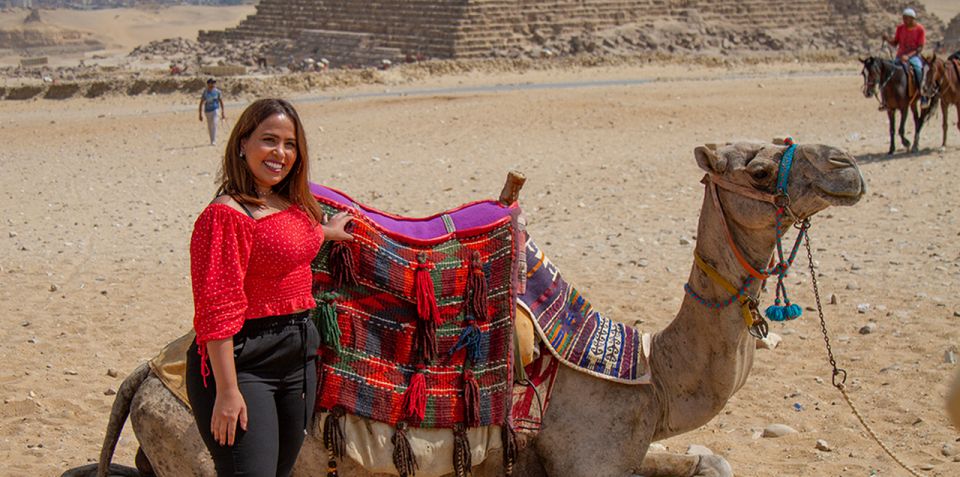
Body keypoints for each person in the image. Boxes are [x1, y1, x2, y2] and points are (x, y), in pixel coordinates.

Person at [185, 98, 353, 476]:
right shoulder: (225, 216)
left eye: (290, 144)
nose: (280, 153)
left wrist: (326, 232)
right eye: (269, 140)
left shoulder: (285, 202)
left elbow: (284, 242)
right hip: (245, 362)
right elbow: (217, 310)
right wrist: (228, 392)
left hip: (297, 355)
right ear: (242, 144)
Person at [882, 7, 927, 103]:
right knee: (887, 71)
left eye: (906, 18)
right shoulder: (900, 28)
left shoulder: (920, 29)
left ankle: (922, 95)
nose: (904, 20)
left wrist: (909, 56)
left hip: (914, 57)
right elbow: (895, 43)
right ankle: (885, 99)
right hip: (900, 56)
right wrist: (887, 39)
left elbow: (920, 48)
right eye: (903, 18)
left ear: (912, 18)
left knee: (918, 70)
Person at [199, 78, 226, 145]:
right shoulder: (205, 92)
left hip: (215, 109)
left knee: (214, 123)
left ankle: (214, 140)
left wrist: (223, 112)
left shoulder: (217, 92)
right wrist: (200, 114)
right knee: (210, 125)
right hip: (207, 111)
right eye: (211, 83)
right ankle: (212, 140)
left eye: (214, 83)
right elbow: (201, 103)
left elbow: (221, 101)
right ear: (208, 84)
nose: (213, 84)